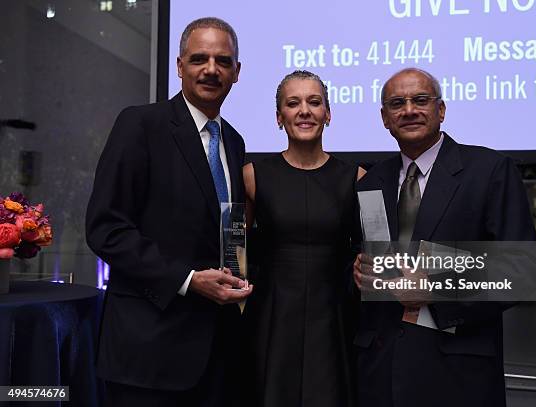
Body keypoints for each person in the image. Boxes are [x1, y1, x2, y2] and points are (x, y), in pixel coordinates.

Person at [86, 17, 252, 406]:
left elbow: (229, 229)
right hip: (149, 353)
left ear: (237, 73)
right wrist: (188, 279)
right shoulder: (140, 125)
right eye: (199, 59)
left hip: (218, 354)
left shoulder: (233, 141)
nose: (211, 70)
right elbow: (105, 228)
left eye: (223, 61)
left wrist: (241, 277)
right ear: (179, 66)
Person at [353, 68, 536, 407]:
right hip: (380, 371)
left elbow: (523, 270)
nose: (409, 110)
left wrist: (437, 287)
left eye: (420, 100)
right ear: (384, 118)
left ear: (441, 110)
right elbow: (371, 263)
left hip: (458, 372)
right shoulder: (370, 182)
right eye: (397, 103)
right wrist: (360, 274)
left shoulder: (490, 171)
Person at [242, 70, 366, 407]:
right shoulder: (251, 177)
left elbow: (372, 254)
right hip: (271, 319)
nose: (304, 110)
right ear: (279, 117)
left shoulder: (358, 178)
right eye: (293, 103)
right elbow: (233, 254)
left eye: (314, 102)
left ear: (328, 113)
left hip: (335, 321)